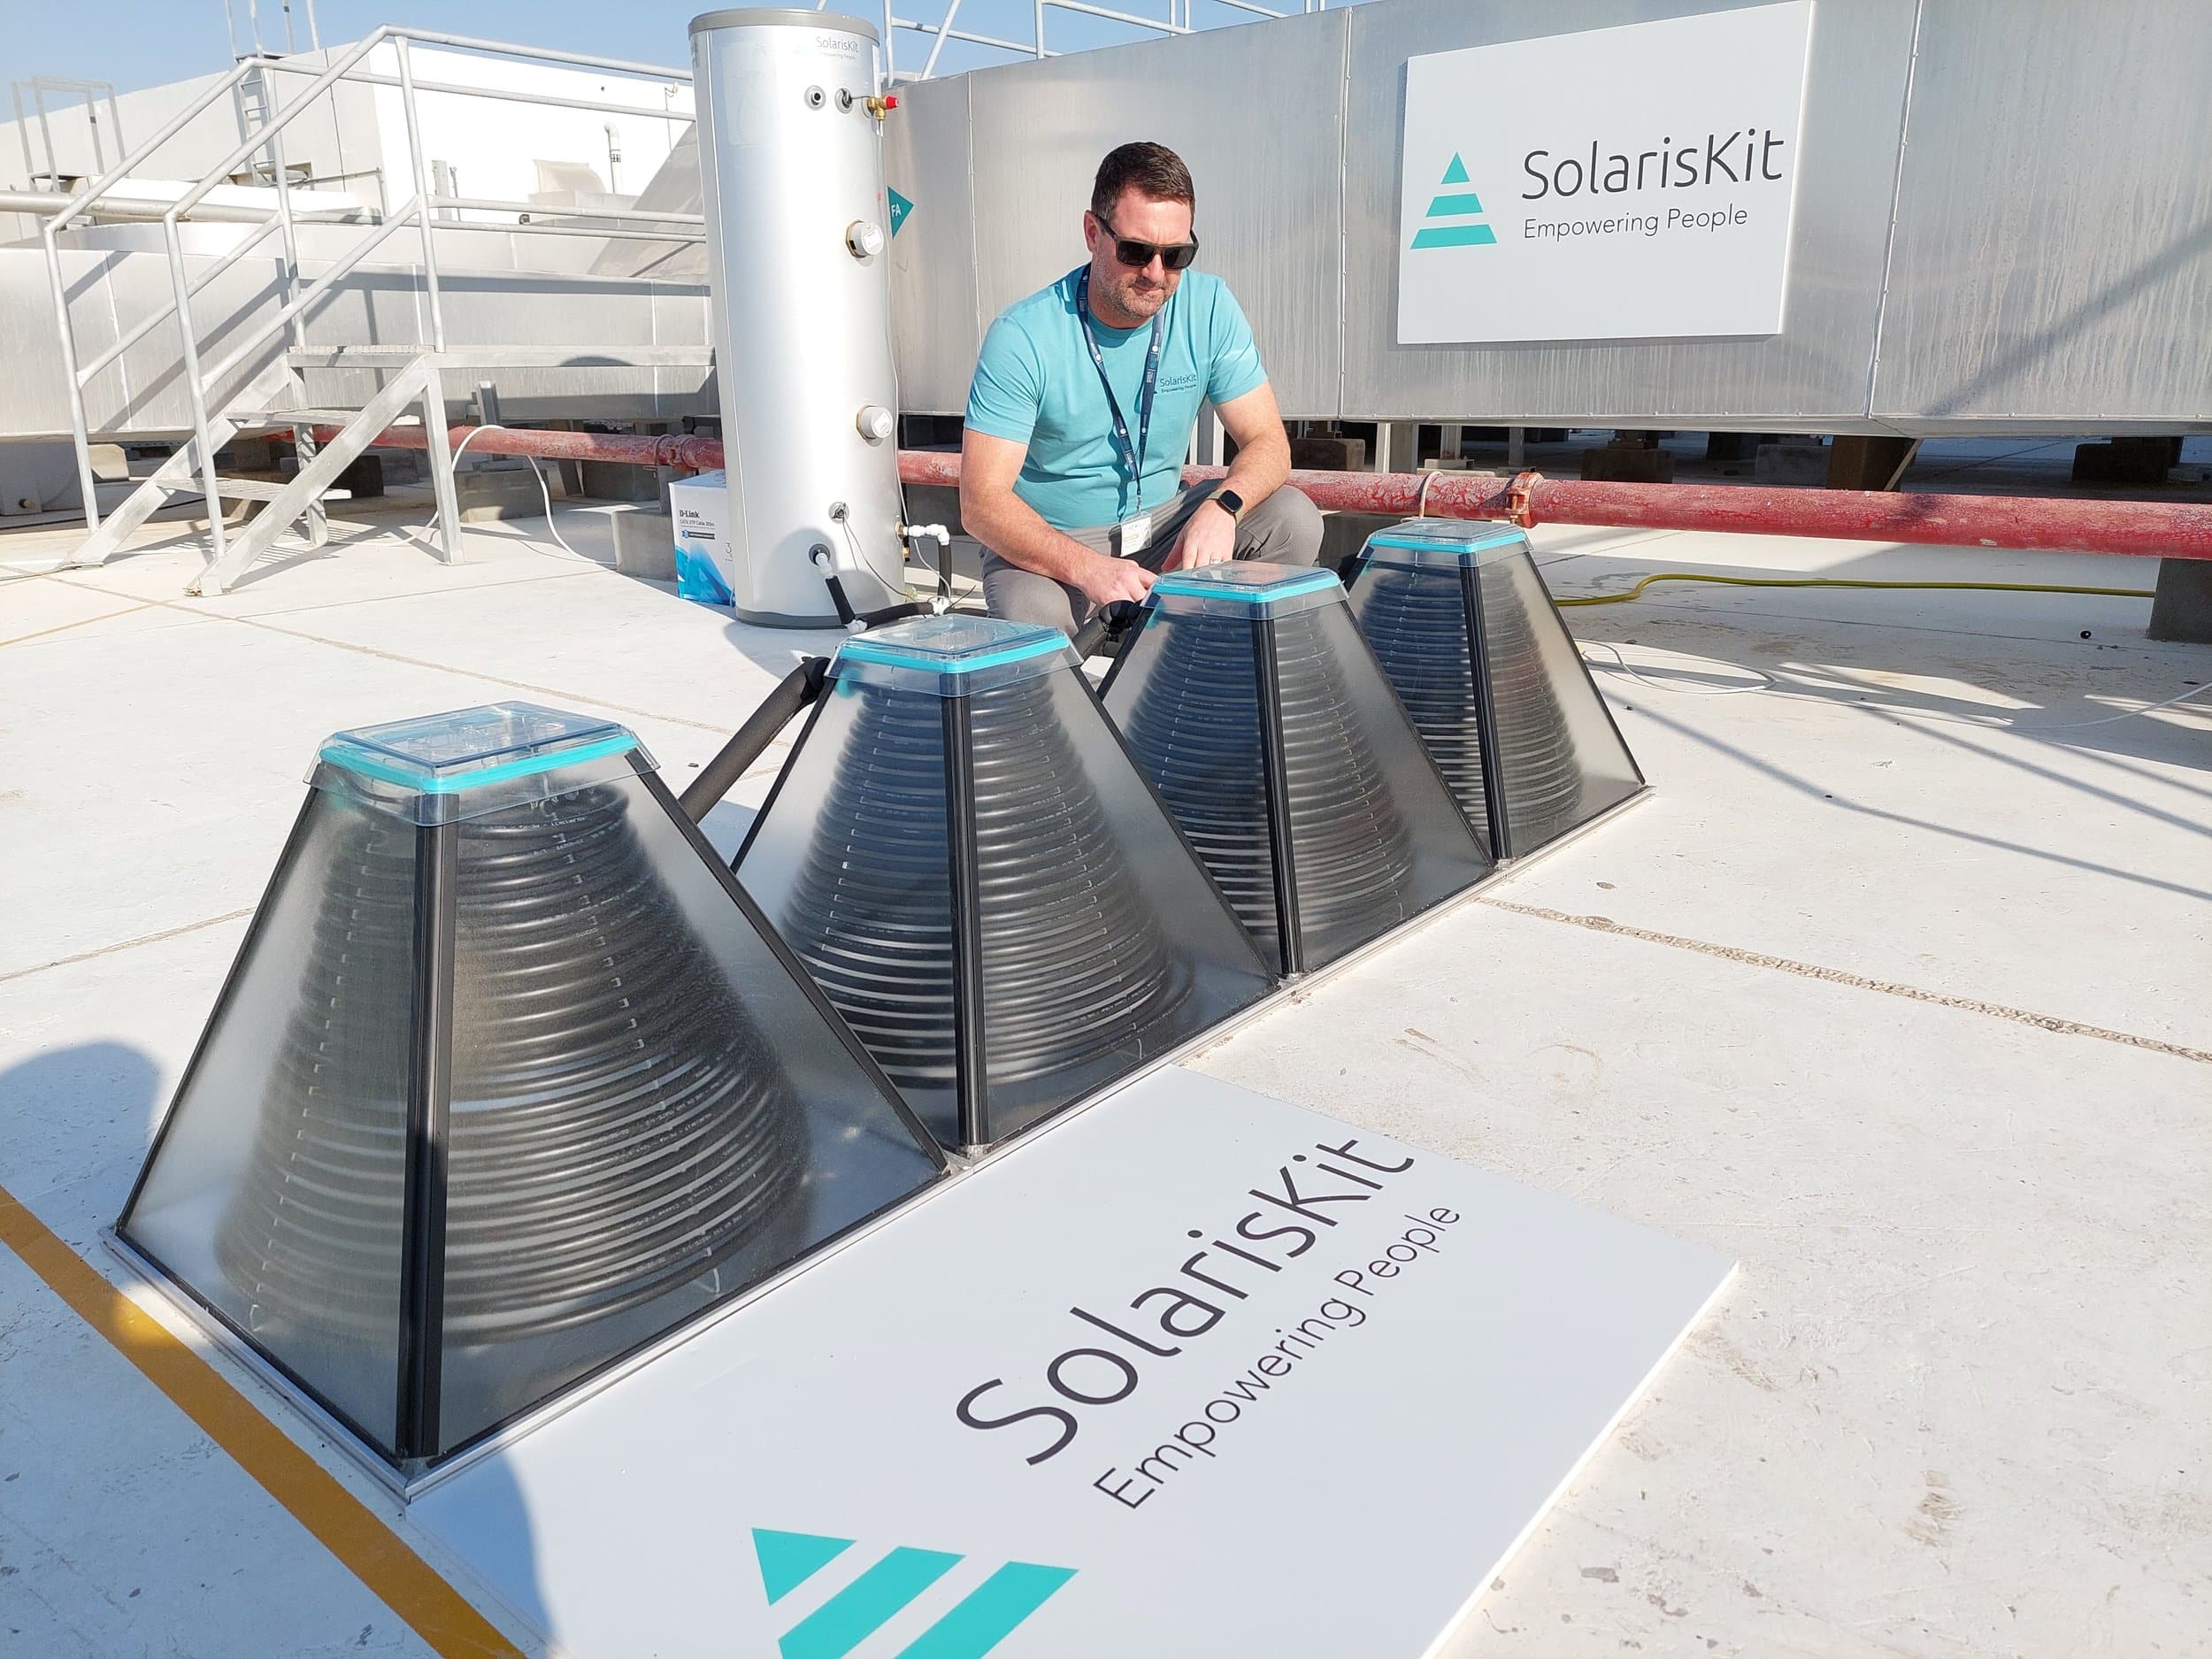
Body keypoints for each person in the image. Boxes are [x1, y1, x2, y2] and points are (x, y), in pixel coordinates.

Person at [959, 141, 1323, 633]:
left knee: (1293, 518)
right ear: (1093, 233)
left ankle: (1206, 662)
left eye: (1176, 255)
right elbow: (981, 502)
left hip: (1163, 524)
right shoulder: (1023, 335)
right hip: (1056, 543)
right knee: (1034, 620)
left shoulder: (1209, 306)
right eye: (1135, 251)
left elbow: (1269, 443)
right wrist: (1089, 569)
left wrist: (1224, 507)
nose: (1155, 273)